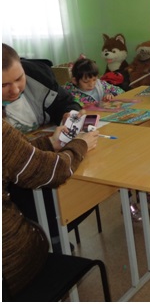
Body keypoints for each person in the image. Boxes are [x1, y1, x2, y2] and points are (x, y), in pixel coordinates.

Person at [2, 119, 99, 296]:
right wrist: (80, 144)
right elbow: (53, 171)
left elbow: (13, 155)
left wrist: (48, 143)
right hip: (12, 267)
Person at [2, 43, 81, 133]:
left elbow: (65, 102)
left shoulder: (40, 78)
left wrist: (67, 115)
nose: (15, 90)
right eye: (3, 85)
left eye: (19, 78)